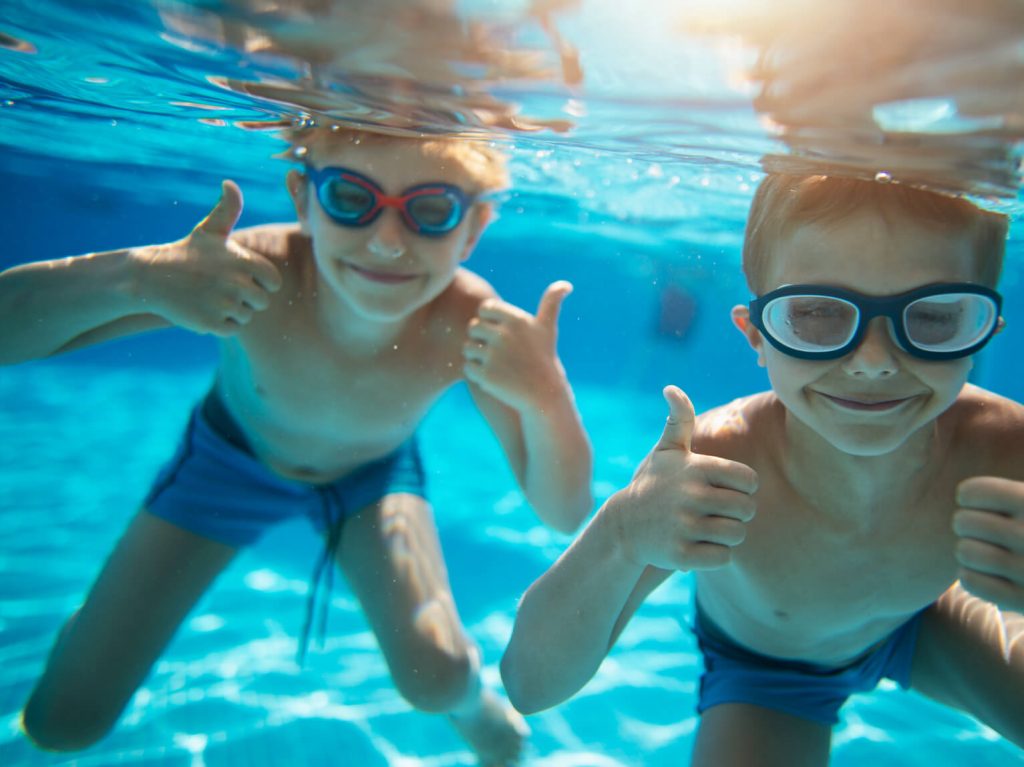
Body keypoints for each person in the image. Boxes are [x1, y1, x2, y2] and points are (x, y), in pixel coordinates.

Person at [3, 123, 593, 766]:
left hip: (372, 480)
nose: (387, 240)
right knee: (62, 724)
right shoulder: (250, 271)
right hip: (227, 465)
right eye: (350, 197)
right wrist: (139, 278)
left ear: (473, 228)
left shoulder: (469, 320)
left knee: (439, 677)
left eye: (429, 211)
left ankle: (473, 709)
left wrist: (546, 394)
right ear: (303, 198)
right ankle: (96, 626)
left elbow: (561, 512)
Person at [500, 172, 1024, 765]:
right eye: (820, 315)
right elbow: (530, 685)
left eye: (931, 318)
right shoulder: (718, 461)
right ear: (757, 337)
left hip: (927, 622)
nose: (876, 361)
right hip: (768, 673)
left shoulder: (1007, 449)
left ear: (979, 334)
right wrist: (622, 531)